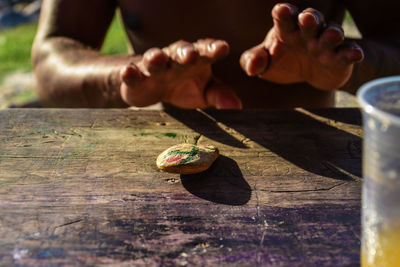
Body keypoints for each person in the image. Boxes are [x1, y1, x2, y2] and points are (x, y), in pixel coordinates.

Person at [32, 1, 400, 109]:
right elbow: (51, 58)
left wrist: (347, 64)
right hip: (156, 171)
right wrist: (129, 78)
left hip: (325, 177)